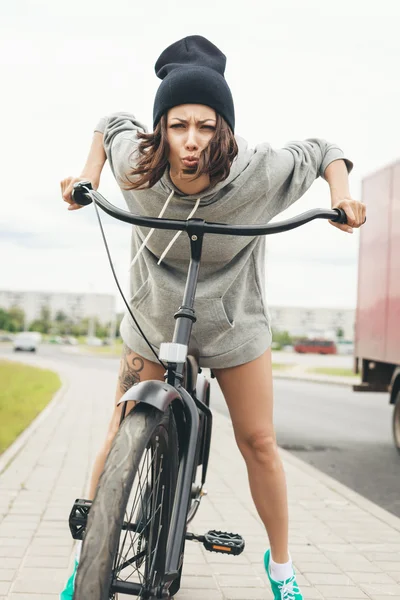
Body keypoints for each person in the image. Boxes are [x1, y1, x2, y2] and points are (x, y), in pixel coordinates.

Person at [60, 35, 365, 600]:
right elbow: (109, 122)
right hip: (153, 316)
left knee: (259, 440)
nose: (191, 141)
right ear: (161, 129)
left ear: (223, 128)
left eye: (205, 125)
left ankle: (282, 569)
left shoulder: (256, 172)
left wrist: (344, 197)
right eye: (178, 125)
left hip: (233, 322)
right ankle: (87, 560)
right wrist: (87, 176)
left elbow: (325, 150)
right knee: (118, 422)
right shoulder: (138, 164)